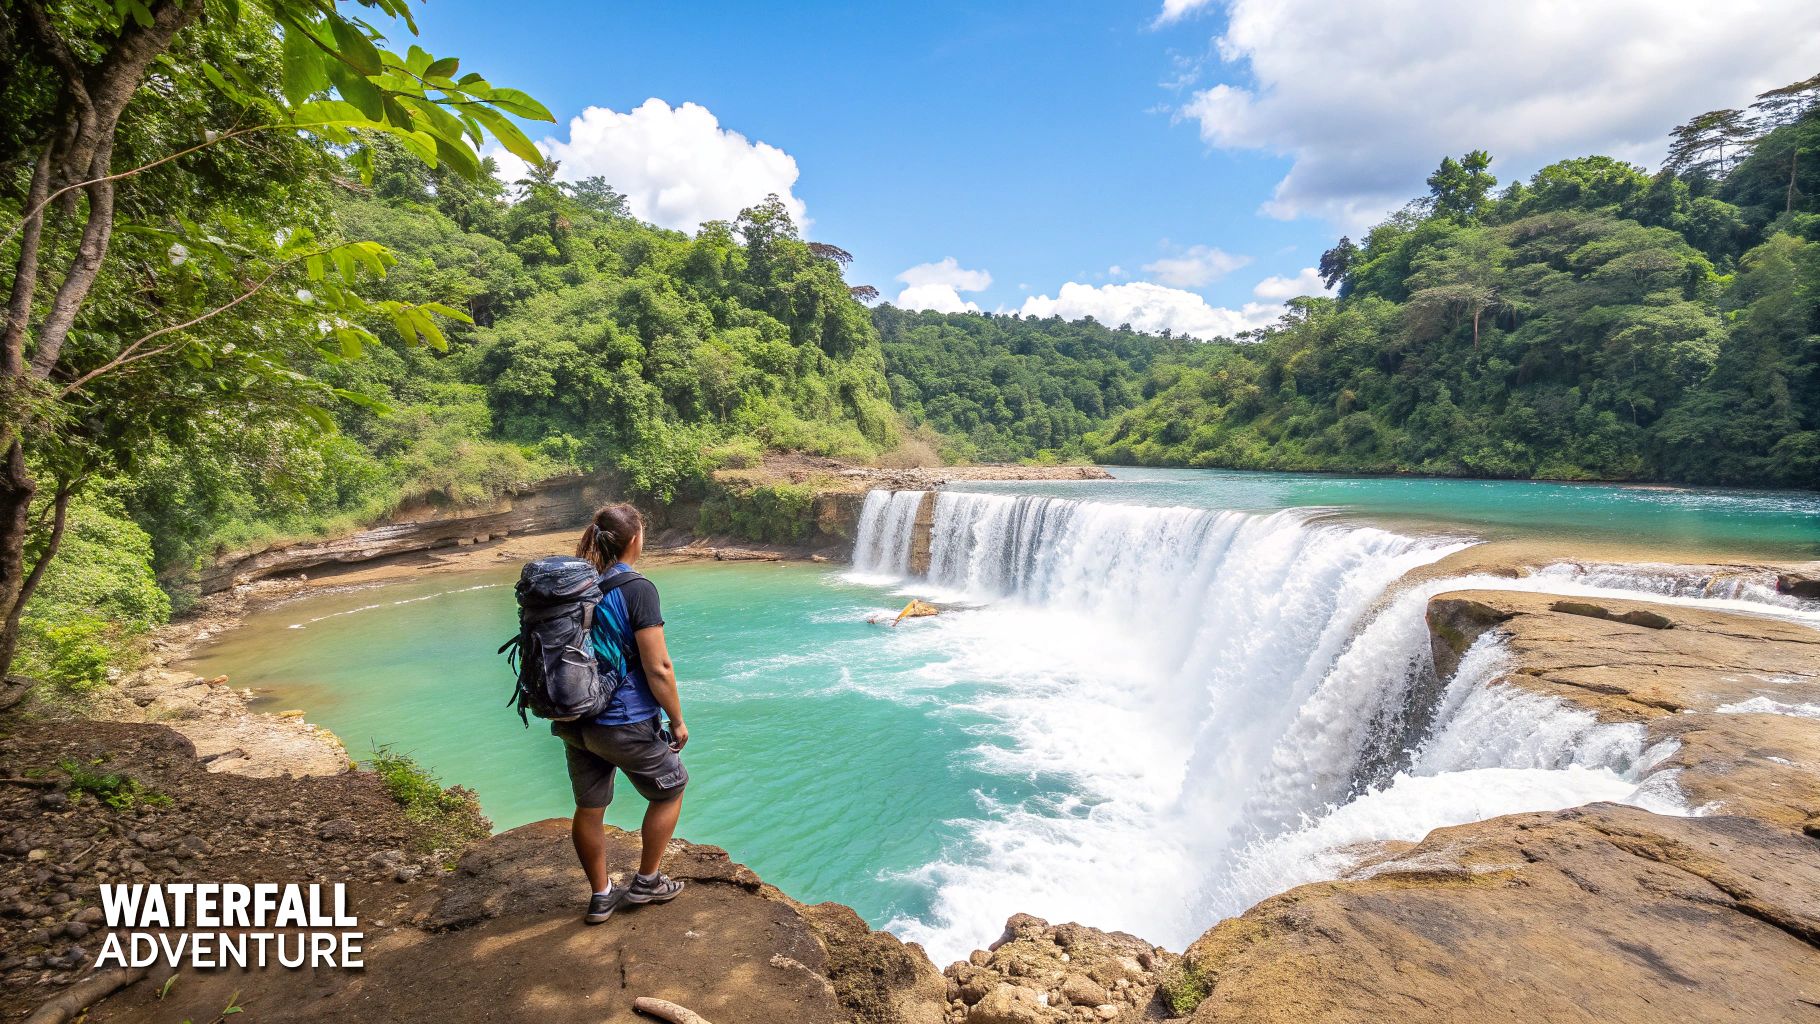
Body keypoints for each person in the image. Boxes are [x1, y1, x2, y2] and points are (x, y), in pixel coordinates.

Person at [554, 502, 690, 925]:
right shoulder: (637, 588)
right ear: (635, 539)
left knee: (590, 807)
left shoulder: (579, 585)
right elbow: (658, 666)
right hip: (622, 717)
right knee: (671, 788)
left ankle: (600, 896)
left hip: (577, 717)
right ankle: (647, 881)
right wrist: (677, 719)